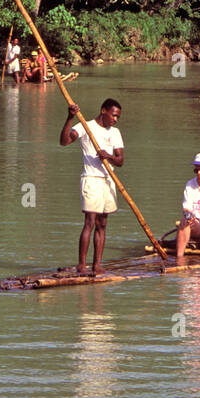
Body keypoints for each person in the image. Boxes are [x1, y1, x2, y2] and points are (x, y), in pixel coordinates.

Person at [59, 98, 124, 274]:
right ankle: (81, 265)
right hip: (91, 179)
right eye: (113, 115)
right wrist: (70, 117)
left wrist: (108, 156)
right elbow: (64, 141)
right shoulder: (85, 126)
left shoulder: (115, 132)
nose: (115, 119)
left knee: (102, 224)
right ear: (103, 111)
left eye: (118, 117)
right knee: (90, 222)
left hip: (108, 179)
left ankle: (97, 265)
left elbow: (120, 160)